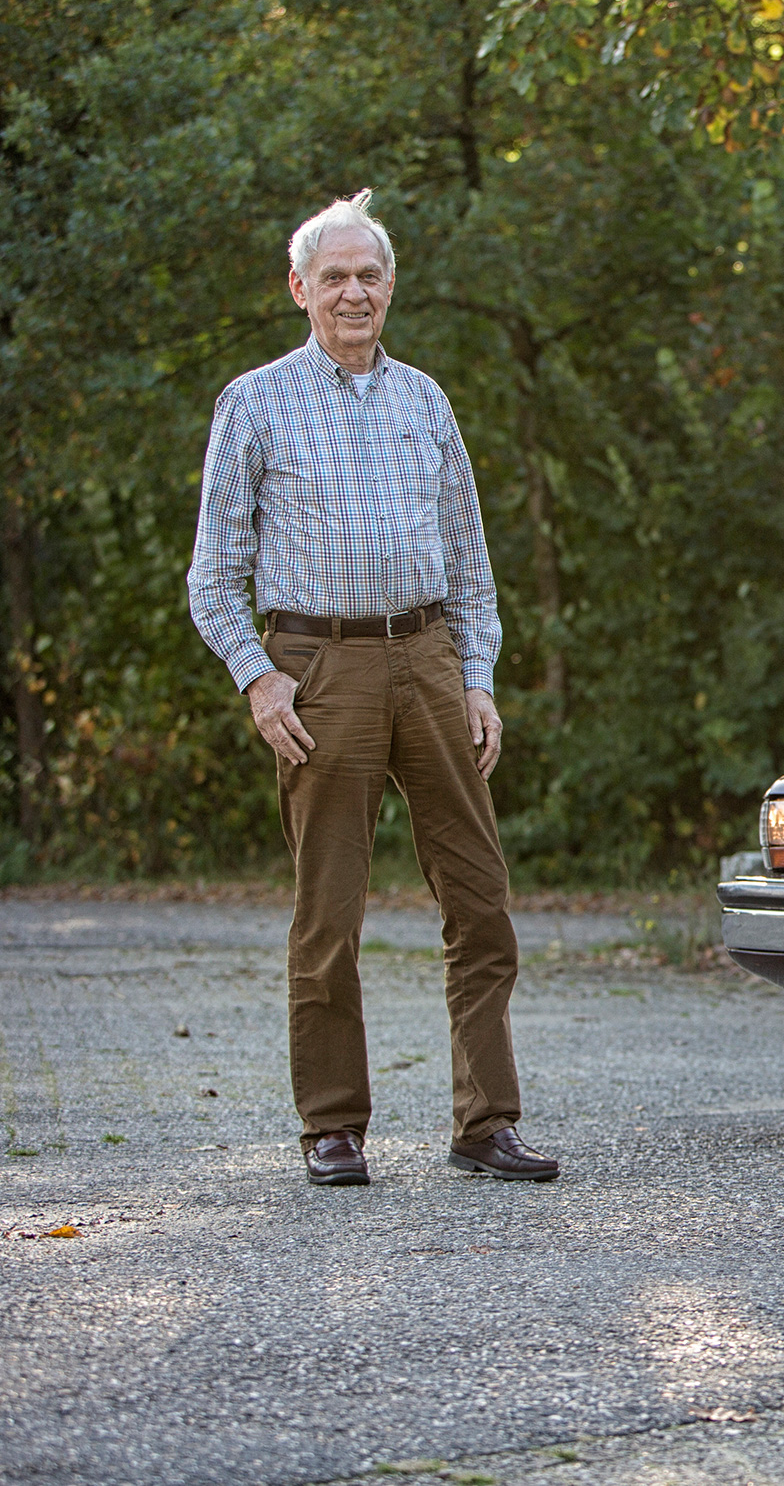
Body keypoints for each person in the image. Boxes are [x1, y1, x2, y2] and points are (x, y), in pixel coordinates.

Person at [186, 190, 557, 1187]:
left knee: (480, 900)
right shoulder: (255, 401)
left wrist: (475, 678)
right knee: (329, 909)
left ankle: (487, 1120)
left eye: (369, 274)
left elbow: (473, 565)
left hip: (430, 659)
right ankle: (334, 1123)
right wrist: (262, 682)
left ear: (390, 286)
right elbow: (211, 577)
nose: (354, 290)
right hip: (320, 670)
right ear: (299, 288)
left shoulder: (425, 400)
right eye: (334, 276)